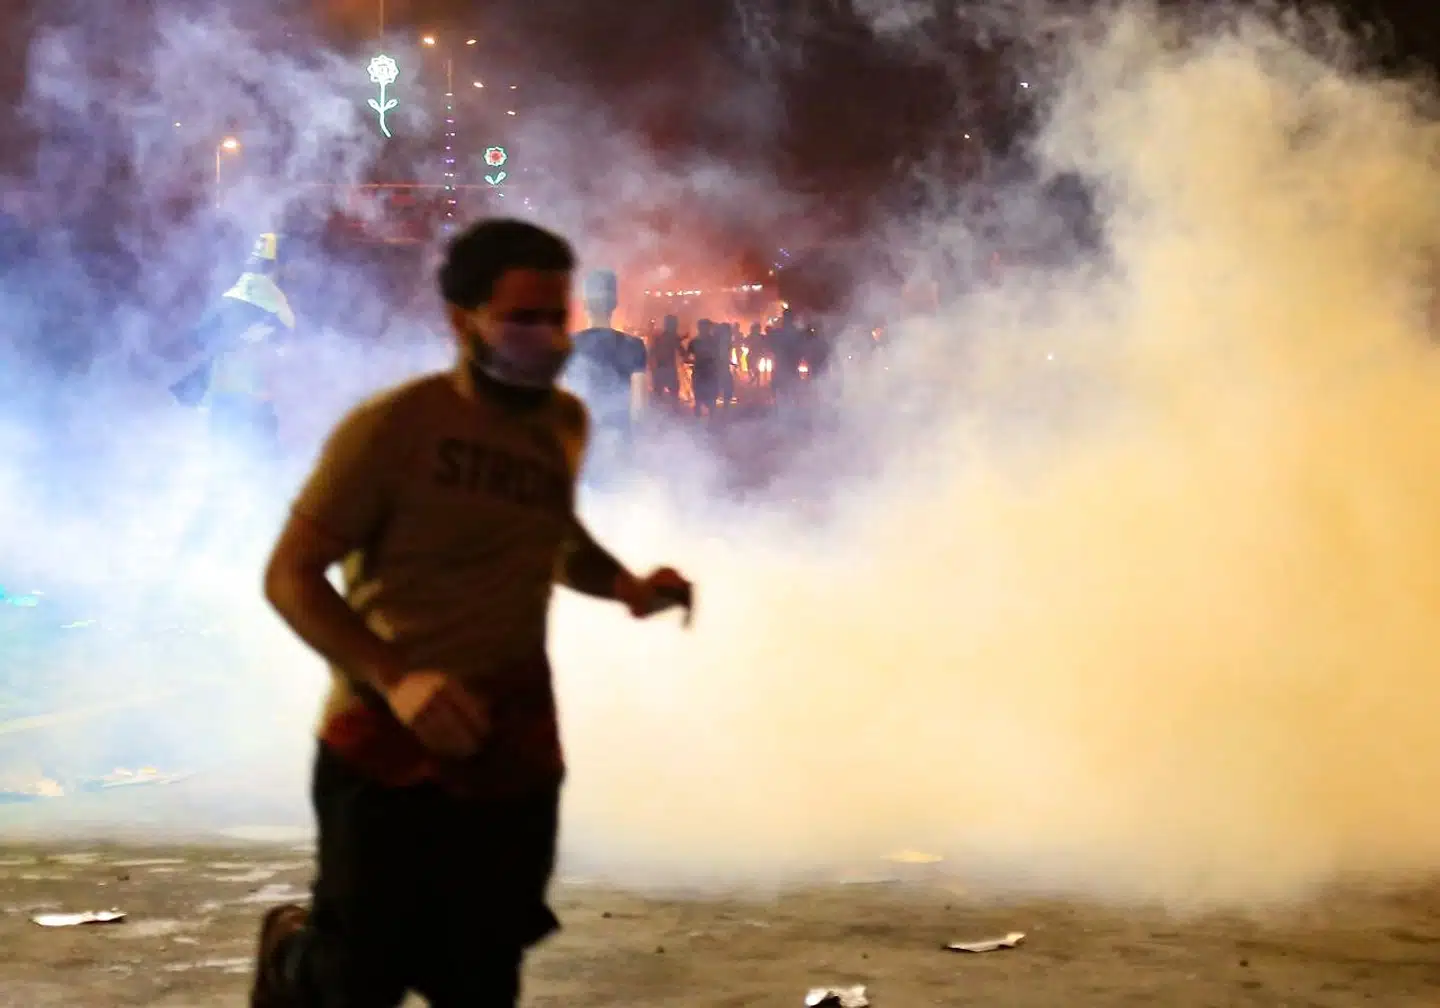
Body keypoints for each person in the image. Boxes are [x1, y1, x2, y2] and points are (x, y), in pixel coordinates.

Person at [249, 218, 692, 1008]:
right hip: (384, 743)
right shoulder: (394, 428)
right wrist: (396, 678)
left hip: (510, 744)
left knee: (482, 973)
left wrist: (624, 586)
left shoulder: (562, 425)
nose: (549, 339)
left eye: (556, 317)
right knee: (360, 976)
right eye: (523, 318)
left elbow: (552, 537)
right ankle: (291, 959)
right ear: (464, 320)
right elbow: (290, 575)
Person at [171, 231, 296, 451]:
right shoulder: (277, 308)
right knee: (261, 461)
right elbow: (281, 357)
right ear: (279, 267)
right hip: (254, 402)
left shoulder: (230, 298)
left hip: (221, 400)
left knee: (224, 459)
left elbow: (196, 339)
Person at [564, 268, 647, 475]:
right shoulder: (634, 345)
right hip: (619, 443)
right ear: (614, 304)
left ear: (584, 304)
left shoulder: (568, 346)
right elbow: (639, 406)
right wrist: (636, 443)